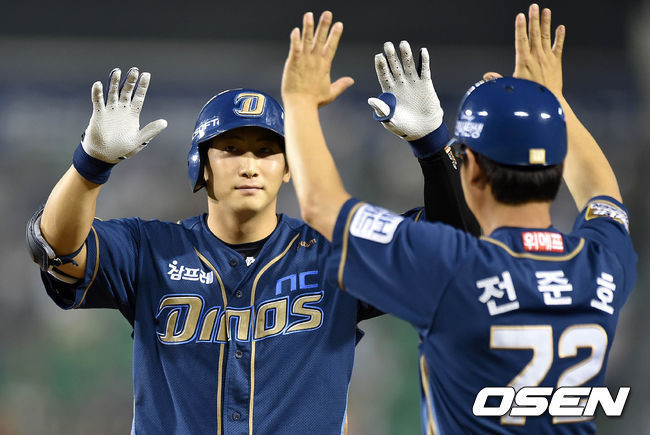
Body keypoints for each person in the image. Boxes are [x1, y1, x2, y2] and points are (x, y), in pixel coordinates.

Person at [26, 44, 474, 431]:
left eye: (265, 151)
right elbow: (54, 246)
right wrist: (91, 163)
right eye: (231, 149)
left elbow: (457, 248)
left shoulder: (336, 252)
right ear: (201, 165)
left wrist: (434, 146)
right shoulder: (151, 250)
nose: (249, 165)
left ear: (287, 169)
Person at [281, 6, 636, 434]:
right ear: (558, 169)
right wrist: (551, 100)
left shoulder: (452, 264)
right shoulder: (602, 264)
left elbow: (322, 208)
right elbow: (602, 193)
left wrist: (298, 101)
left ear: (472, 171)